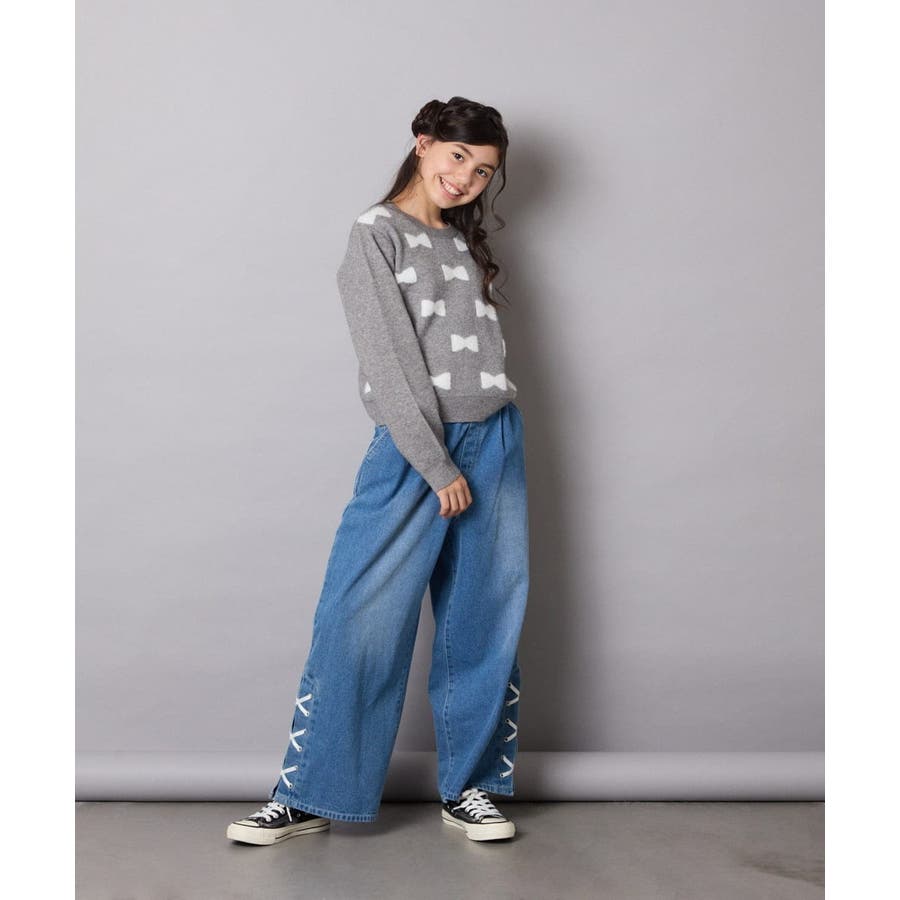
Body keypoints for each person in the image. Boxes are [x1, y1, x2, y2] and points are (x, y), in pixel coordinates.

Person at [226, 96, 528, 845]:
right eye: (457, 157)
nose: (467, 178)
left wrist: (480, 447)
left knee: (484, 617)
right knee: (360, 618)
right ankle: (309, 795)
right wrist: (433, 463)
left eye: (483, 170)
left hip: (495, 438)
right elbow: (387, 362)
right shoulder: (375, 234)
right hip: (415, 447)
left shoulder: (461, 241)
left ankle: (472, 788)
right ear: (423, 145)